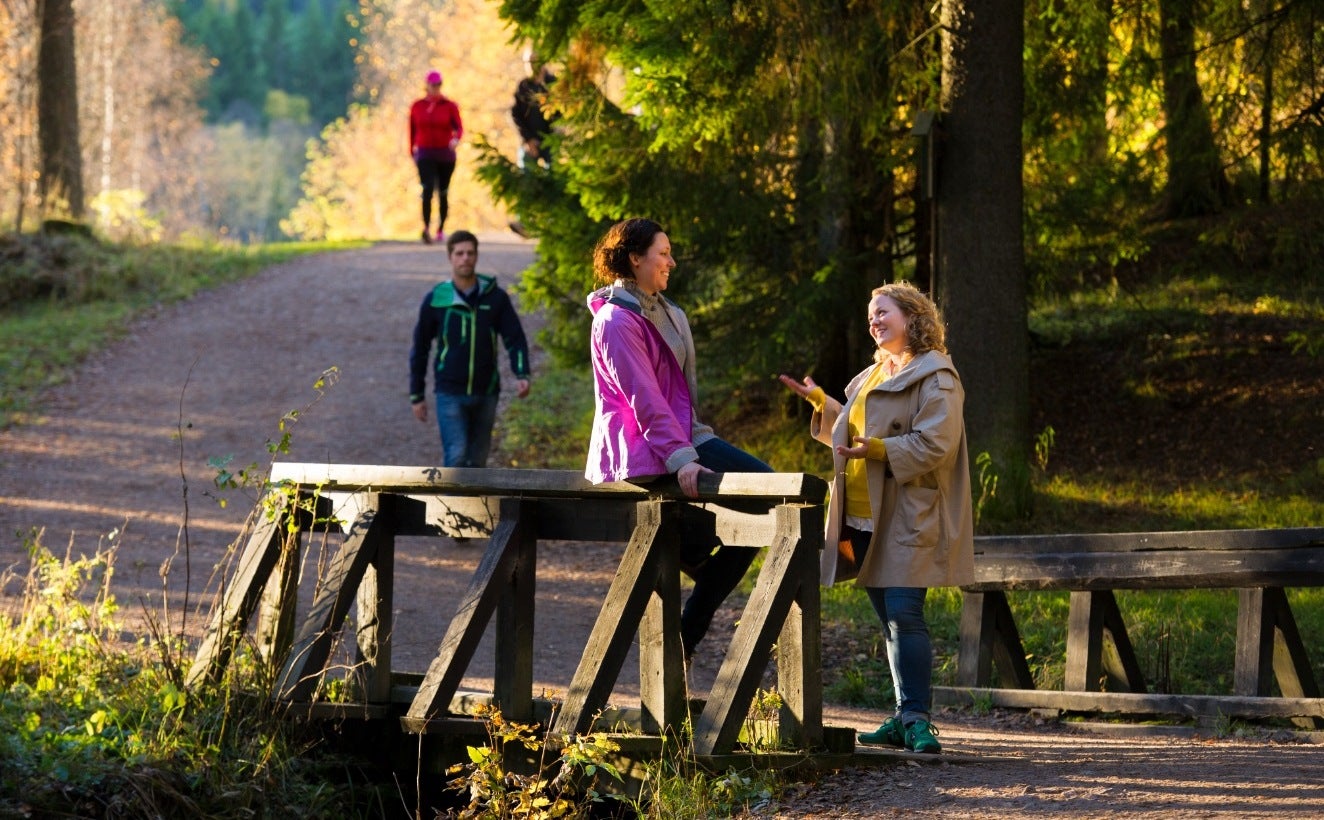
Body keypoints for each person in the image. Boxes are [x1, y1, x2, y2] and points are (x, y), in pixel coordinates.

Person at [778, 281, 974, 754]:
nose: (874, 320)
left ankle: (918, 721)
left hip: (908, 516)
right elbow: (858, 432)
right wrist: (822, 403)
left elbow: (936, 444)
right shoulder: (874, 374)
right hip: (861, 519)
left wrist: (881, 449)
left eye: (883, 312)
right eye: (871, 314)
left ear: (912, 317)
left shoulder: (937, 376)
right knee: (889, 621)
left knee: (906, 615)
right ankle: (904, 714)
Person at [585, 217, 775, 661]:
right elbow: (643, 398)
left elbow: (682, 394)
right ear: (635, 258)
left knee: (763, 502)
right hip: (644, 447)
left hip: (683, 435)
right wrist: (682, 458)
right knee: (766, 489)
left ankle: (687, 586)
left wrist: (690, 444)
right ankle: (688, 610)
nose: (671, 260)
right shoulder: (615, 320)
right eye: (662, 252)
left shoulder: (672, 313)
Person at [409, 230, 531, 468]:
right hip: (449, 392)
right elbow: (421, 348)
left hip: (486, 391)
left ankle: (475, 506)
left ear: (476, 256)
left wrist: (522, 373)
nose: (465, 258)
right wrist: (417, 395)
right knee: (456, 454)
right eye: (459, 253)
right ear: (450, 257)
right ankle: (450, 506)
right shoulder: (436, 299)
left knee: (478, 461)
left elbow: (514, 337)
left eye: (470, 253)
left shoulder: (495, 298)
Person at [409, 69, 463, 245]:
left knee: (443, 191)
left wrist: (455, 139)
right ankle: (426, 228)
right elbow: (412, 130)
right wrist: (411, 150)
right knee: (427, 189)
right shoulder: (417, 106)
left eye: (439, 84)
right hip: (425, 152)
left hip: (445, 154)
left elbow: (459, 128)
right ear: (427, 85)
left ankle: (440, 229)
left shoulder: (449, 106)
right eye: (433, 85)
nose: (436, 87)